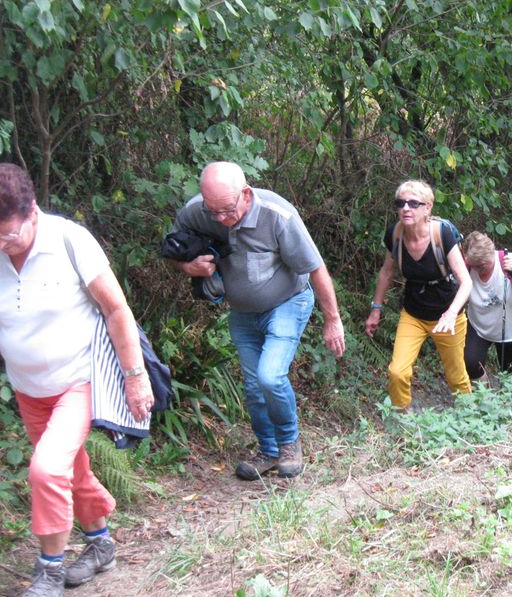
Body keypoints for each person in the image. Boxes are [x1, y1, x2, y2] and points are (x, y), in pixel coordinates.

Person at [0, 163, 154, 596]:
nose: (3, 243)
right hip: (27, 388)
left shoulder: (69, 240)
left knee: (47, 469)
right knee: (69, 467)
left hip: (76, 380)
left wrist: (135, 377)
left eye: (9, 234)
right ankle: (100, 543)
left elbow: (117, 309)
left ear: (32, 212)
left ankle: (49, 567)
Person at [169, 162, 345, 480]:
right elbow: (174, 247)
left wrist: (332, 320)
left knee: (270, 376)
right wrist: (188, 266)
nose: (220, 219)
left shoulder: (279, 215)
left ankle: (289, 445)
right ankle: (268, 450)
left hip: (288, 302)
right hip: (242, 312)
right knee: (252, 386)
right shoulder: (197, 211)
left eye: (227, 210)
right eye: (214, 212)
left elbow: (315, 267)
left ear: (246, 194)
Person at [364, 180, 472, 409]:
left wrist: (452, 314)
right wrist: (376, 310)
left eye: (413, 203)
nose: (406, 208)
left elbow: (466, 282)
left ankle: (468, 422)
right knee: (397, 372)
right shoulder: (394, 234)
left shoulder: (442, 234)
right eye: (400, 203)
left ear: (428, 207)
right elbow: (386, 272)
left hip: (447, 314)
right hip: (413, 313)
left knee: (456, 377)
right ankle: (402, 422)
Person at [461, 231, 512, 383]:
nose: (478, 269)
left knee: (511, 369)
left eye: (482, 266)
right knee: (471, 363)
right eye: (474, 266)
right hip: (479, 326)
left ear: (491, 255)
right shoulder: (467, 266)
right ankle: (486, 400)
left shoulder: (508, 260)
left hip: (511, 329)